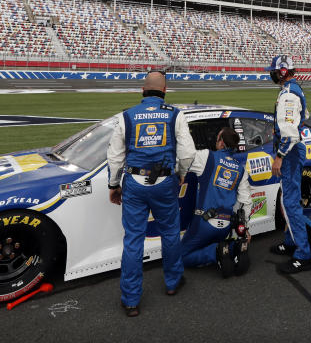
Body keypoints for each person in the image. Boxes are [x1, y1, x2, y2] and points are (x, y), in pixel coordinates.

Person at [106, 70, 196, 317]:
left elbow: (114, 157)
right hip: (165, 182)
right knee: (169, 233)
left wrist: (113, 185)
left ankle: (131, 300)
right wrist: (180, 173)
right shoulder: (175, 114)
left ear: (143, 91)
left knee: (134, 239)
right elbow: (188, 152)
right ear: (165, 92)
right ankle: (173, 282)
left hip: (133, 183)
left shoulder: (127, 116)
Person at [180, 125, 252, 269]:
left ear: (221, 142)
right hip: (225, 227)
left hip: (204, 223)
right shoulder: (240, 168)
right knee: (212, 242)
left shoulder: (207, 156)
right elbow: (245, 201)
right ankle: (233, 247)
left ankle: (216, 252)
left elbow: (183, 158)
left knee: (180, 257)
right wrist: (245, 229)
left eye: (217, 137)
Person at [267, 55, 311, 273]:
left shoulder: (288, 95)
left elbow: (289, 133)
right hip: (293, 151)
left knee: (290, 201)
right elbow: (304, 116)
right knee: (288, 198)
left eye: (275, 71)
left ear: (283, 72)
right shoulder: (295, 89)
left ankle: (303, 253)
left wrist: (279, 156)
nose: (273, 74)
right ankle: (291, 241)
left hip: (290, 153)